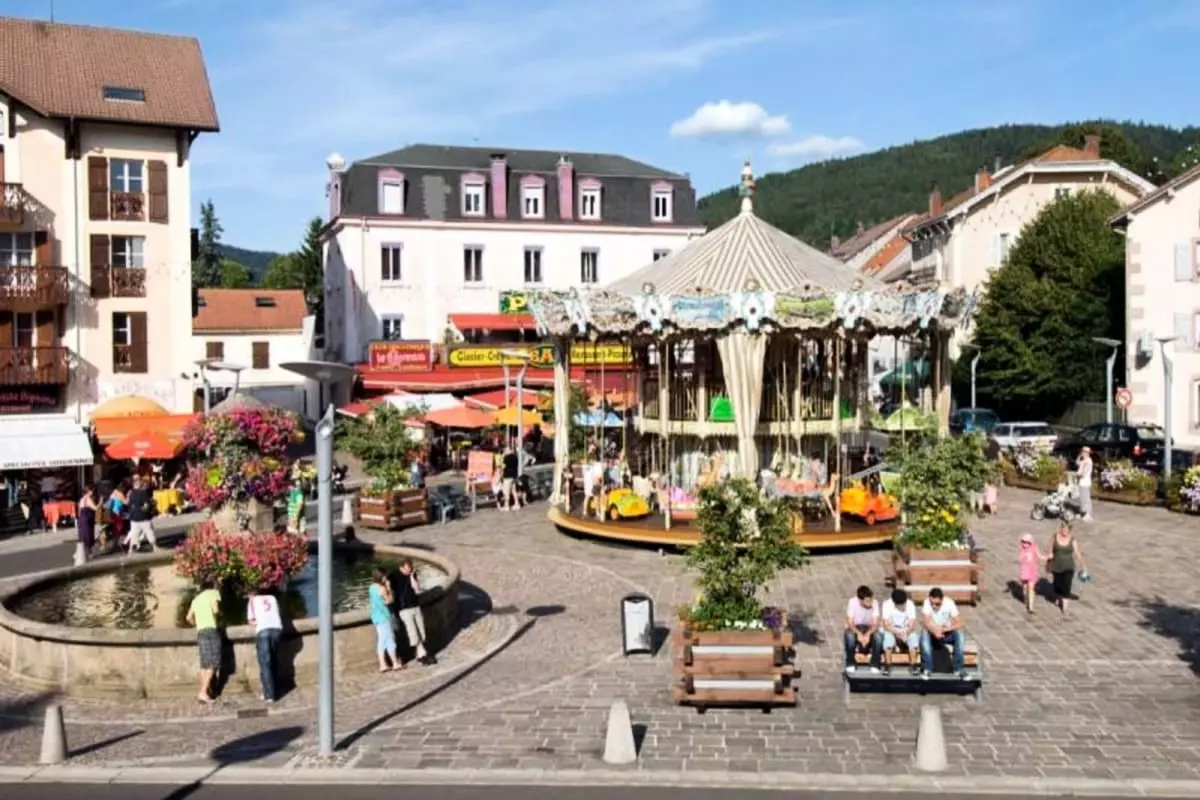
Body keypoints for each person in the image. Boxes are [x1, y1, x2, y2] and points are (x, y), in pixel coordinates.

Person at [393, 559, 436, 666]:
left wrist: (412, 576)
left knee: (421, 630)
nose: (410, 570)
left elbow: (416, 590)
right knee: (413, 631)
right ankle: (422, 653)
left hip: (415, 606)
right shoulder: (394, 577)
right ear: (401, 567)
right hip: (404, 609)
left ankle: (419, 654)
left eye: (410, 568)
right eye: (408, 568)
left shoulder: (412, 575)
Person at [185, 580, 222, 704]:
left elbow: (188, 618)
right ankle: (202, 692)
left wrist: (197, 624)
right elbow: (216, 610)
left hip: (200, 631)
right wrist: (219, 616)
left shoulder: (196, 599)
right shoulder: (213, 593)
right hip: (211, 630)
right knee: (213, 663)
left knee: (204, 664)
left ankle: (206, 691)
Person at [919, 587, 967, 679]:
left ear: (942, 600)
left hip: (945, 633)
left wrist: (944, 629)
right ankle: (927, 669)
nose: (934, 606)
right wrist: (935, 631)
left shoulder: (949, 603)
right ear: (929, 599)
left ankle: (959, 669)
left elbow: (960, 623)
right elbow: (926, 623)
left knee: (960, 633)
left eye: (937, 604)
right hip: (932, 634)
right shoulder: (926, 603)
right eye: (932, 603)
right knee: (924, 633)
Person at [247, 586, 283, 703]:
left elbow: (251, 620)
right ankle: (276, 690)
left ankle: (269, 695)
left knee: (265, 663)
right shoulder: (272, 598)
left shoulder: (252, 600)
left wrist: (256, 621)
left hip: (263, 630)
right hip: (277, 628)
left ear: (252, 594)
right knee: (274, 660)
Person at [1047, 522, 1085, 616]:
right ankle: (1059, 596)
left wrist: (1083, 565)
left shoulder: (1072, 539)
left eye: (1067, 529)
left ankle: (1065, 608)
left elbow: (1077, 553)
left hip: (1069, 567)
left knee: (1066, 586)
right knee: (1057, 586)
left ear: (1070, 530)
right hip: (1056, 566)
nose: (1064, 530)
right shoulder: (1055, 537)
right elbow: (1050, 549)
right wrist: (1049, 559)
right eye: (1063, 528)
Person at [880, 588, 920, 675]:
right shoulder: (887, 604)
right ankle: (888, 664)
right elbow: (886, 624)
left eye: (903, 603)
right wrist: (897, 632)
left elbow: (912, 624)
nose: (902, 606)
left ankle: (913, 665)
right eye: (900, 605)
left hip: (905, 630)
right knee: (888, 639)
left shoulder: (910, 604)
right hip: (892, 629)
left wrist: (906, 632)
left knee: (913, 638)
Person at [843, 585, 882, 674]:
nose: (870, 602)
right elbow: (850, 623)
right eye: (867, 600)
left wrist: (868, 634)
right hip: (856, 627)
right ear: (860, 600)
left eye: (870, 599)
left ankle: (875, 664)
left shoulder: (875, 603)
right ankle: (850, 662)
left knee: (878, 637)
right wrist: (858, 634)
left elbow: (875, 624)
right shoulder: (852, 602)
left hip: (869, 627)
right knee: (850, 636)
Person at [369, 568, 401, 672]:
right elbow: (389, 601)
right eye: (384, 576)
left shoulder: (371, 587)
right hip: (384, 616)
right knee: (389, 639)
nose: (386, 578)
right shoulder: (381, 588)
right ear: (381, 577)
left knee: (382, 640)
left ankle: (383, 664)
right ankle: (394, 663)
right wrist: (388, 587)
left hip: (376, 616)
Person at [126, 476, 158, 554]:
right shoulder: (143, 493)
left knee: (134, 534)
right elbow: (146, 505)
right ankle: (155, 547)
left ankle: (131, 549)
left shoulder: (131, 493)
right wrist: (146, 511)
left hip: (134, 517)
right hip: (143, 517)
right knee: (149, 531)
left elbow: (130, 505)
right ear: (139, 485)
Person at [1018, 533, 1045, 615]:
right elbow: (1020, 558)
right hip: (1024, 571)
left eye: (1027, 542)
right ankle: (1026, 599)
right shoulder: (1021, 548)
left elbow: (1040, 556)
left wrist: (1047, 557)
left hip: (1032, 571)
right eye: (1023, 541)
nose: (1025, 543)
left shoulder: (1034, 547)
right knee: (1025, 588)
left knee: (1031, 588)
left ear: (1030, 542)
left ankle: (1031, 607)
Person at [77, 485, 98, 560]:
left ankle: (79, 553)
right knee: (88, 536)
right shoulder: (88, 499)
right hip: (88, 519)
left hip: (82, 519)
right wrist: (100, 503)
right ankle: (89, 553)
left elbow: (79, 511)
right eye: (91, 491)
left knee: (83, 536)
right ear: (89, 491)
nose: (92, 492)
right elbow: (95, 508)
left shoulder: (82, 499)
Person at [1076, 447, 1094, 521]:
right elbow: (1077, 463)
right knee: (1082, 499)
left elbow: (1084, 473)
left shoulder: (1088, 461)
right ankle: (1083, 513)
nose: (1082, 453)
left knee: (1086, 498)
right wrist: (1079, 456)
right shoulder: (1084, 460)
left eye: (1084, 452)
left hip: (1085, 482)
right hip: (1082, 482)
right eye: (1082, 451)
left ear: (1087, 453)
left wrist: (1077, 474)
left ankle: (1088, 514)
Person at [500, 447, 520, 512]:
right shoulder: (515, 457)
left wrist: (502, 457)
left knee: (506, 491)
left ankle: (507, 506)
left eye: (505, 451)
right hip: (514, 476)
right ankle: (517, 504)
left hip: (507, 476)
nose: (505, 452)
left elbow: (503, 466)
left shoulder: (506, 458)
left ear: (507, 451)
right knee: (514, 490)